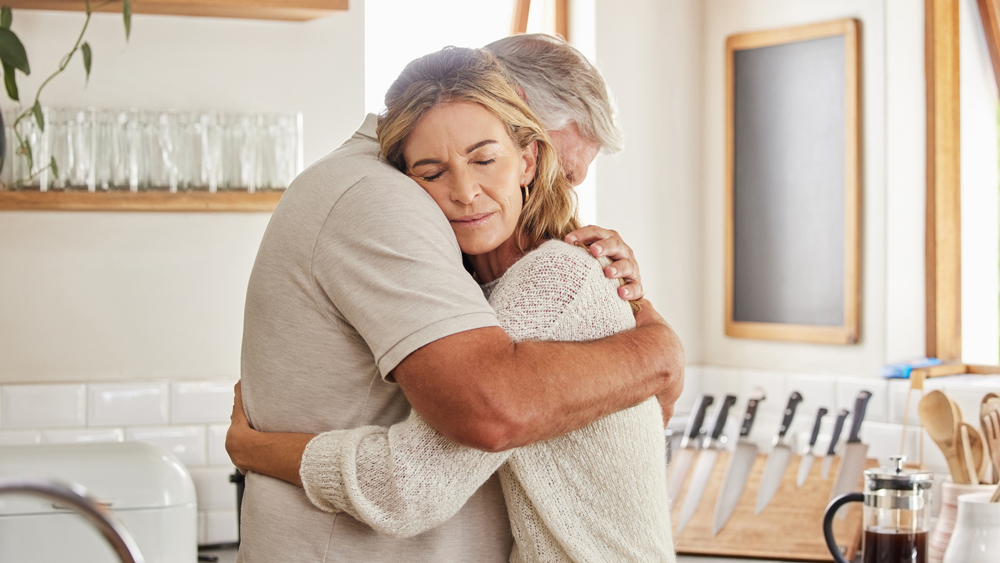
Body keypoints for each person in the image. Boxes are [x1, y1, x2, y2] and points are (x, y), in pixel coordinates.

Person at [233, 34, 684, 563]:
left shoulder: (554, 277)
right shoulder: (388, 206)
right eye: (435, 170)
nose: (468, 191)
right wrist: (656, 351)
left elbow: (411, 483)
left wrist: (252, 448)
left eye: (486, 160)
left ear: (526, 159)